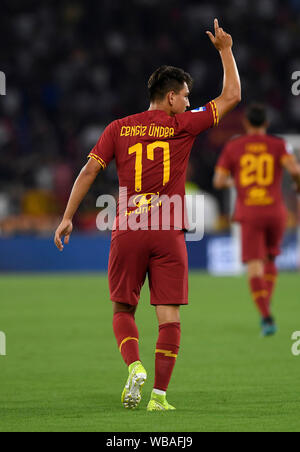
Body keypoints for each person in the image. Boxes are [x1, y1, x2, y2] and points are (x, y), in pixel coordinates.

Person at [54, 19, 241, 411]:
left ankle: (134, 365)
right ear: (170, 97)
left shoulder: (118, 128)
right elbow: (232, 96)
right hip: (169, 229)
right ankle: (159, 397)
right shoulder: (183, 125)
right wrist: (225, 49)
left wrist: (68, 216)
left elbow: (89, 170)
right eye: (186, 96)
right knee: (168, 315)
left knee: (123, 309)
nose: (189, 102)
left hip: (129, 227)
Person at [214, 103, 300, 336]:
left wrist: (237, 182)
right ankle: (266, 304)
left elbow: (219, 181)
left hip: (250, 211)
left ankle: (266, 316)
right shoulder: (279, 145)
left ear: (245, 123)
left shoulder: (234, 146)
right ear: (267, 124)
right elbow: (295, 171)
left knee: (254, 265)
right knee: (271, 258)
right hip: (275, 211)